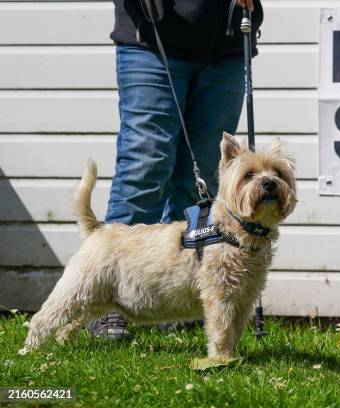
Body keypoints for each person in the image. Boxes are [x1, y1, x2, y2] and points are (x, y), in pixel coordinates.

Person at [88, 0, 264, 340]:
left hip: (227, 42)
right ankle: (109, 302)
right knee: (145, 166)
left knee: (197, 185)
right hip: (152, 36)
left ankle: (184, 303)